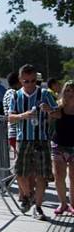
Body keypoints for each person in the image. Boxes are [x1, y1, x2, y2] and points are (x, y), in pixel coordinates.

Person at [8, 64, 58, 220]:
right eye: (26, 81)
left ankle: (38, 206)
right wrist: (23, 115)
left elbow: (57, 113)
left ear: (36, 80)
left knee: (42, 174)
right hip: (23, 138)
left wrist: (49, 109)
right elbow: (10, 117)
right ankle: (29, 196)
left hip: (41, 138)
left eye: (32, 81)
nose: (30, 84)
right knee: (19, 171)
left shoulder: (44, 94)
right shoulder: (16, 96)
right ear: (21, 80)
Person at [48, 81, 74, 215]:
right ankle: (63, 203)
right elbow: (51, 115)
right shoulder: (58, 106)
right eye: (67, 90)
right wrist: (48, 110)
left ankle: (72, 205)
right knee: (58, 176)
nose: (70, 93)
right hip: (59, 145)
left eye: (72, 90)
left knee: (73, 177)